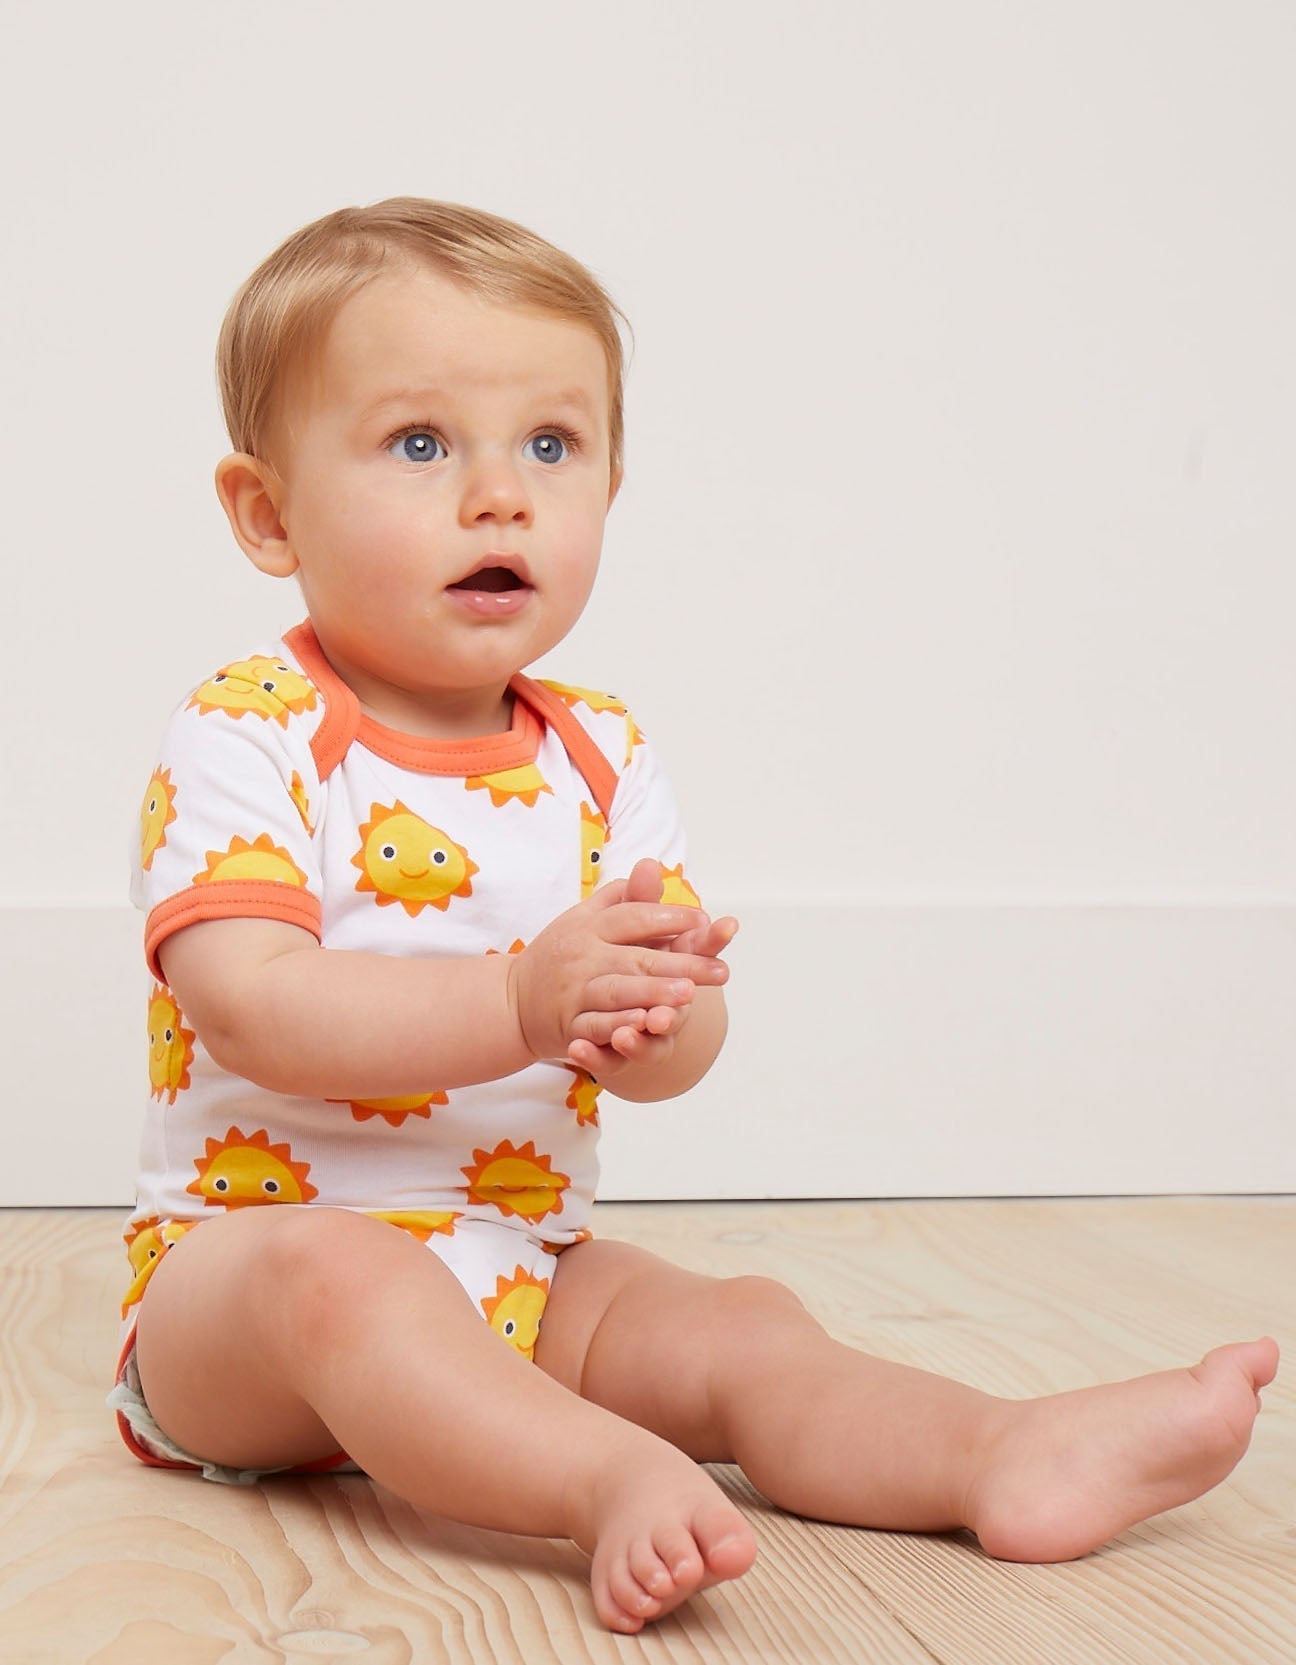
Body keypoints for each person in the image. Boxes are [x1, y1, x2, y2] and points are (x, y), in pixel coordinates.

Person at [109, 197, 1278, 1636]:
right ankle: (604, 1476)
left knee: (739, 1322)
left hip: (520, 1266)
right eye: (422, 444)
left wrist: (652, 1022)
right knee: (343, 1279)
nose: (500, 494)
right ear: (267, 511)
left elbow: (666, 1045)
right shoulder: (255, 728)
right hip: (242, 1297)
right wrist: (527, 1002)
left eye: (552, 443)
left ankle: (993, 1452)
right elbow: (255, 1005)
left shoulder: (596, 750)